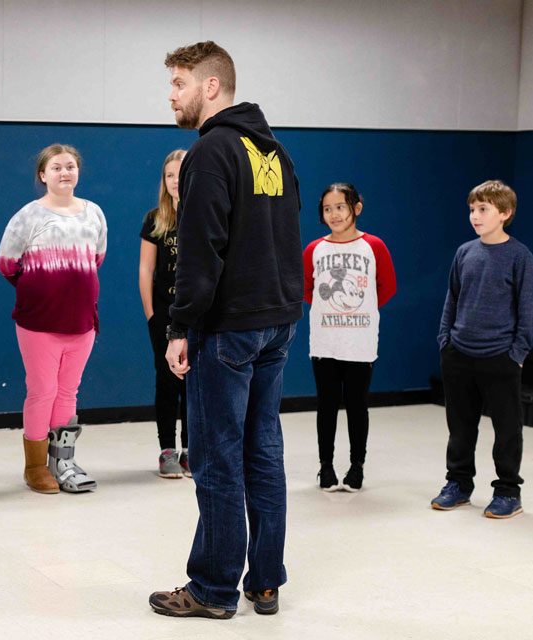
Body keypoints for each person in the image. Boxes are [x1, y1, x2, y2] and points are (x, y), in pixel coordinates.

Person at [148, 41, 303, 620]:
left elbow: (201, 249)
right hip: (276, 323)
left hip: (230, 329)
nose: (171, 95)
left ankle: (213, 589)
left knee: (216, 458)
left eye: (179, 83)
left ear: (211, 87)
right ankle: (264, 583)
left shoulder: (210, 151)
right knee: (263, 451)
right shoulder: (273, 151)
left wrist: (180, 324)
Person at [0, 144, 107, 494]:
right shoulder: (28, 216)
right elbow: (6, 264)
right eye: (56, 167)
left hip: (81, 321)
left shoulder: (94, 214)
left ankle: (63, 462)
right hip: (39, 322)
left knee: (67, 393)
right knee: (42, 391)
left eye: (70, 166)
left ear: (78, 172)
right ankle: (34, 467)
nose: (64, 172)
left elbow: (97, 258)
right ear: (43, 175)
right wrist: (43, 287)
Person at [432, 179, 533, 518]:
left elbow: (528, 309)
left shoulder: (519, 256)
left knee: (507, 429)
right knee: (460, 427)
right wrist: (445, 341)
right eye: (472, 210)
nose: (475, 216)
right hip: (459, 354)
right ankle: (459, 484)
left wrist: (517, 353)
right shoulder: (465, 252)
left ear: (505, 213)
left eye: (483, 210)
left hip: (501, 358)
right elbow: (452, 298)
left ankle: (508, 491)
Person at [303, 184, 396, 492]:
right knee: (326, 404)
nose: (334, 214)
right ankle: (325, 467)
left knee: (357, 404)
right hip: (325, 341)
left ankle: (357, 466)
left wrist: (360, 311)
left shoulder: (374, 246)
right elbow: (307, 289)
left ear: (356, 208)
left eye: (340, 207)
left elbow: (387, 287)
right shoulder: (314, 249)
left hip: (361, 342)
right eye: (327, 209)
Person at [139, 149, 190, 478]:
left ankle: (191, 449)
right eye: (169, 174)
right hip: (165, 316)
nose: (175, 180)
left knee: (194, 384)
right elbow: (146, 270)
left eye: (181, 173)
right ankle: (167, 450)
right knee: (168, 382)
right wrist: (151, 315)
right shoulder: (156, 219)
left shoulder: (208, 213)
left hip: (199, 316)